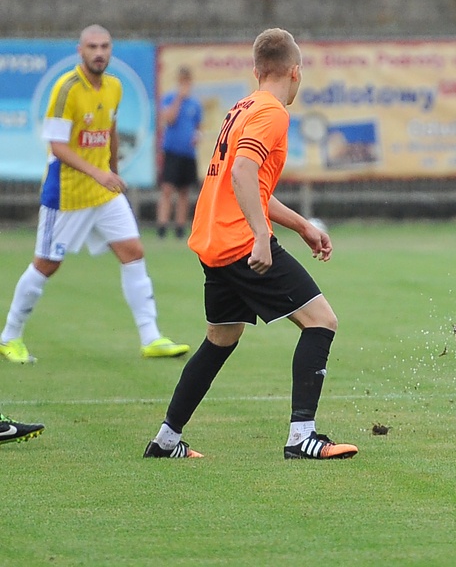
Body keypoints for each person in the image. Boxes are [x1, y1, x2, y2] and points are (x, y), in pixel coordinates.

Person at [143, 28, 358, 461]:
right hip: (240, 241)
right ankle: (302, 437)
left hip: (214, 240)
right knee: (321, 321)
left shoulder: (242, 107)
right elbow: (242, 173)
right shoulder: (273, 112)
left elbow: (248, 182)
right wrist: (263, 236)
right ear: (295, 72)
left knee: (221, 338)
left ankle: (166, 441)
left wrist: (300, 225)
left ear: (257, 70)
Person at [0, 24, 190, 364]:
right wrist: (100, 173)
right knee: (46, 264)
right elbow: (57, 146)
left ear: (111, 50)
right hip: (67, 194)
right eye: (92, 46)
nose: (99, 52)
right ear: (80, 50)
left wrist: (112, 170)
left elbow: (111, 131)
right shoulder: (66, 89)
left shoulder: (114, 87)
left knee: (133, 251)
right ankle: (9, 336)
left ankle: (151, 337)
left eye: (104, 46)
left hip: (103, 194)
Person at [156, 65, 203, 240]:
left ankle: (180, 227)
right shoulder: (170, 99)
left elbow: (198, 126)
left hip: (188, 153)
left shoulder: (195, 104)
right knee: (167, 189)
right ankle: (161, 226)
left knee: (184, 191)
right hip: (172, 151)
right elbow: (169, 119)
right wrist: (178, 99)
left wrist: (198, 136)